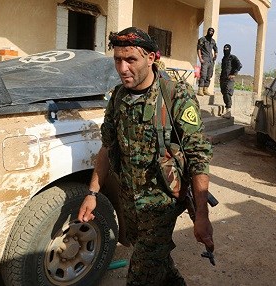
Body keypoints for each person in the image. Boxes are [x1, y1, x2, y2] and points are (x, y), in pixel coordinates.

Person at [77, 27, 214, 285]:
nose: (123, 68)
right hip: (129, 201)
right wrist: (92, 193)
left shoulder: (175, 94)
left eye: (131, 59)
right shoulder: (117, 97)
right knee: (157, 261)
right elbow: (107, 147)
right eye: (118, 59)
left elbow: (198, 156)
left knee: (140, 275)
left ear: (151, 58)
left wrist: (202, 215)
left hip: (161, 203)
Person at [219, 44, 242, 119]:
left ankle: (228, 112)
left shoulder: (232, 57)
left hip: (229, 80)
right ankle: (227, 111)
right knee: (224, 93)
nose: (226, 49)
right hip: (223, 79)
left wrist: (234, 74)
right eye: (225, 48)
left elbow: (239, 65)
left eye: (227, 48)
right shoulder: (223, 58)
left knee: (227, 93)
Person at [197, 27, 218, 96]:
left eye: (212, 32)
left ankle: (205, 89)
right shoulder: (202, 39)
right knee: (203, 74)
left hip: (211, 60)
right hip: (205, 58)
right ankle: (200, 89)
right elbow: (199, 49)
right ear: (208, 31)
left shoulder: (213, 41)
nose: (211, 33)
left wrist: (215, 56)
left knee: (209, 75)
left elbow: (215, 49)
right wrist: (200, 58)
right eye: (210, 31)